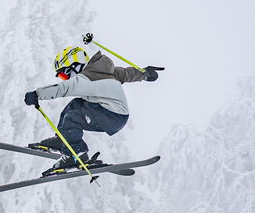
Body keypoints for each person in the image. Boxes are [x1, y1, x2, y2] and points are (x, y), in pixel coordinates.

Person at [23, 45, 161, 176]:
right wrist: (145, 74)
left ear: (75, 65)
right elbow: (126, 74)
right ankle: (63, 140)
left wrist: (37, 94)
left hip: (109, 115)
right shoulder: (105, 71)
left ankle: (77, 153)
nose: (67, 79)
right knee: (76, 104)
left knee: (73, 116)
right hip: (114, 115)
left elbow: (63, 88)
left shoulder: (86, 78)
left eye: (65, 75)